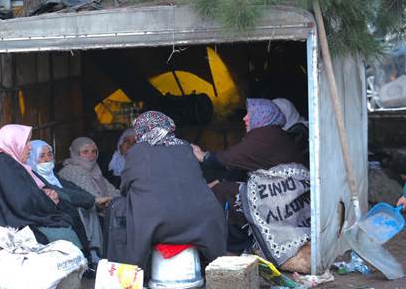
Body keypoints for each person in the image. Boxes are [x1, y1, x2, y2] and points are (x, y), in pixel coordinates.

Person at [105, 111, 227, 269]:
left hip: (157, 225)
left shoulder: (137, 151)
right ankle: (214, 263)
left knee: (117, 206)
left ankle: (124, 269)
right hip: (203, 222)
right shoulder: (185, 147)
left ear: (141, 130)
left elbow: (125, 187)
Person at [192, 98, 307, 255]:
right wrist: (220, 180)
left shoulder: (264, 136)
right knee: (224, 187)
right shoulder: (274, 134)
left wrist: (201, 155)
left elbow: (224, 159)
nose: (244, 118)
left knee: (224, 192)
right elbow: (241, 166)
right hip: (291, 197)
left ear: (262, 116)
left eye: (250, 114)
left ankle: (232, 247)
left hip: (281, 197)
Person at [0, 124, 88, 251]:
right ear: (13, 143)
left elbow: (20, 195)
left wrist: (44, 194)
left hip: (5, 220)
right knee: (67, 233)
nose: (30, 147)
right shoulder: (5, 165)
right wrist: (48, 201)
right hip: (10, 224)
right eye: (26, 142)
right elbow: (23, 203)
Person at [27, 140, 110, 262]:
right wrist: (93, 200)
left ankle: (94, 251)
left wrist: (93, 199)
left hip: (63, 214)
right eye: (42, 156)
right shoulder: (33, 177)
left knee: (87, 207)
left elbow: (71, 188)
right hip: (50, 219)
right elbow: (63, 194)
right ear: (31, 158)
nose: (47, 159)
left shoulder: (53, 175)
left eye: (50, 154)